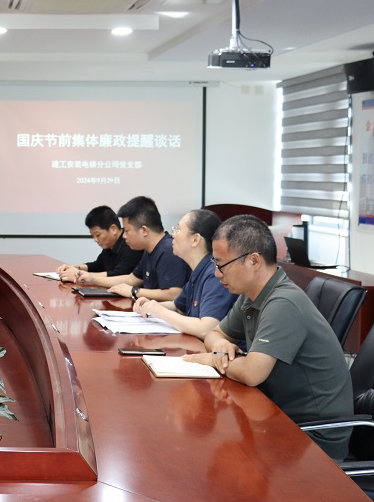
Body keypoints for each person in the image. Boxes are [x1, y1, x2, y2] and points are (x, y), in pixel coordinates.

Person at [182, 215, 352, 459]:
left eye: (222, 264)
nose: (217, 274)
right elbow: (215, 333)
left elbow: (252, 373)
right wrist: (220, 347)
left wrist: (212, 360)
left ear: (253, 261)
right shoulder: (251, 295)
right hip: (278, 416)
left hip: (314, 439)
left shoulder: (283, 303)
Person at [133, 209, 237, 339]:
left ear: (195, 239)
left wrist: (160, 311)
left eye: (177, 229)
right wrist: (150, 305)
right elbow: (178, 307)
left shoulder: (215, 274)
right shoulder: (198, 270)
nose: (173, 235)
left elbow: (206, 329)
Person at [77, 196, 189, 302]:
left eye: (127, 230)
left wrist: (134, 291)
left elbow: (174, 294)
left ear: (144, 230)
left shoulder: (168, 250)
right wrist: (93, 279)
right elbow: (132, 279)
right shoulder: (149, 250)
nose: (124, 236)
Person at [57, 205, 142, 282]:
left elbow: (119, 274)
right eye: (93, 236)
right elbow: (98, 266)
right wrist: (75, 267)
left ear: (113, 229)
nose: (95, 240)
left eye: (98, 235)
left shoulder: (131, 244)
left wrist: (79, 274)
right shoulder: (109, 245)